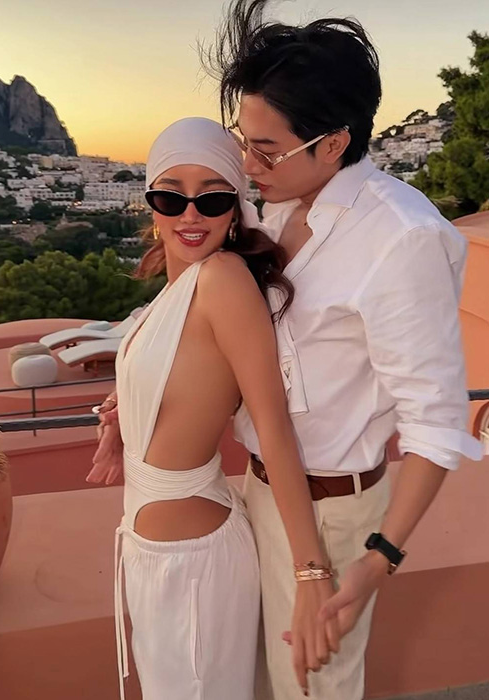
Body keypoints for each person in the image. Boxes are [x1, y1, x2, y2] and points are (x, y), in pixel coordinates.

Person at [200, 1, 483, 699]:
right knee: (257, 680)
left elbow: (436, 421)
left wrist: (377, 559)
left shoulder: (400, 238)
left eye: (267, 150)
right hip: (261, 491)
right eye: (244, 142)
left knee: (314, 688)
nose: (249, 164)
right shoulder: (278, 207)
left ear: (333, 144)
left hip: (335, 513)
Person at [88, 116, 341, 700]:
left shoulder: (223, 279)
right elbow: (175, 373)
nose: (190, 214)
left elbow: (274, 426)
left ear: (235, 208)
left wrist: (310, 572)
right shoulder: (177, 290)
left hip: (193, 568)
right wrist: (124, 416)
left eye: (213, 197)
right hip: (158, 555)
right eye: (170, 196)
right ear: (151, 205)